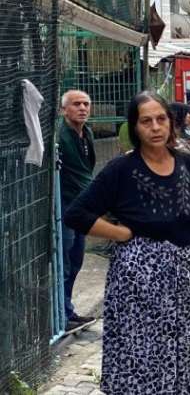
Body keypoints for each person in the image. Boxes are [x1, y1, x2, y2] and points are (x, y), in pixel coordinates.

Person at [64, 91, 190, 394]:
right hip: (137, 285)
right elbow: (76, 214)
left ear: (171, 124)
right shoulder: (122, 170)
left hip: (185, 283)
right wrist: (120, 233)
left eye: (161, 119)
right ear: (135, 128)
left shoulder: (185, 163)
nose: (155, 127)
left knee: (183, 352)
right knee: (142, 358)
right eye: (146, 121)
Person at [57, 90, 97, 331]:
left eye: (86, 104)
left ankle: (68, 310)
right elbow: (80, 176)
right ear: (64, 110)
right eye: (76, 104)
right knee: (65, 260)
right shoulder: (62, 136)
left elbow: (87, 169)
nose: (82, 108)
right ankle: (62, 314)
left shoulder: (87, 133)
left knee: (76, 258)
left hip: (80, 207)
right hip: (66, 204)